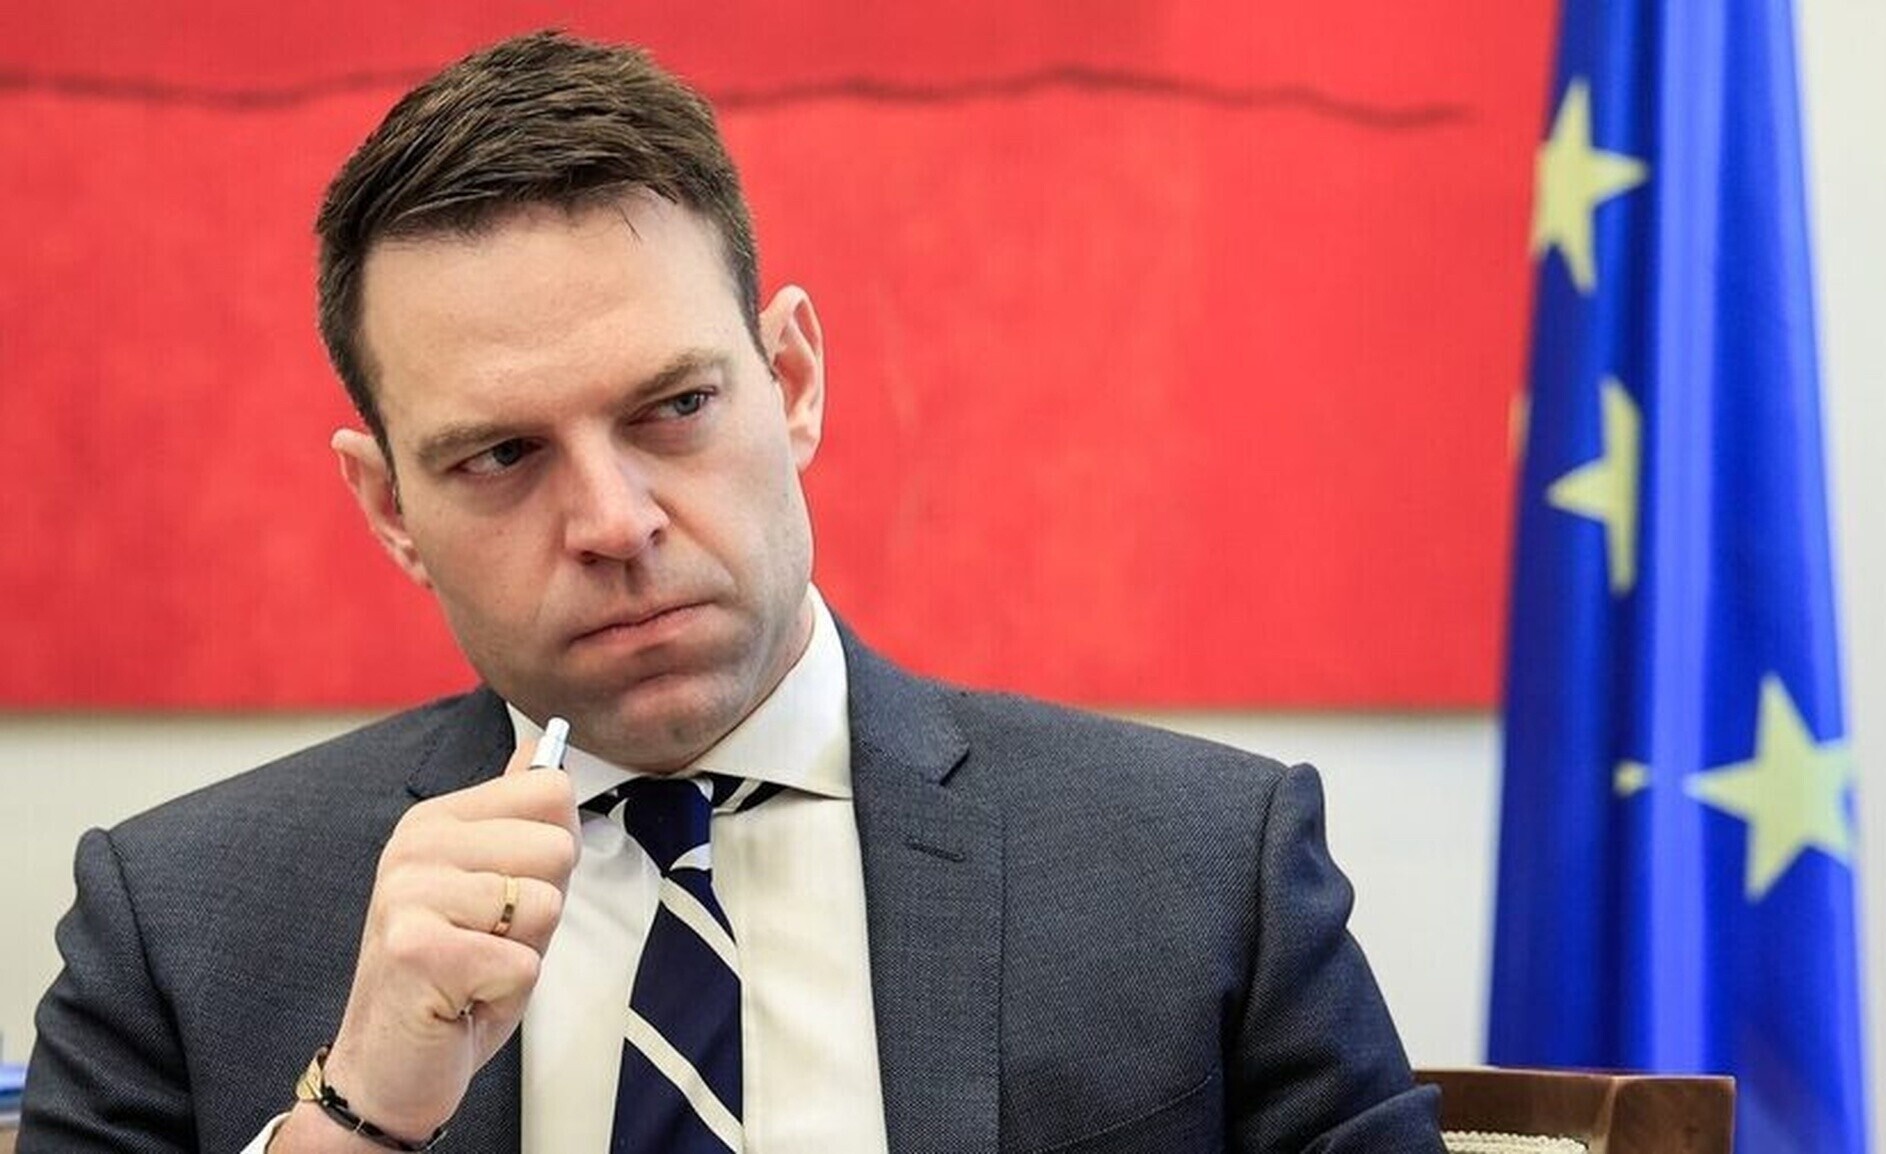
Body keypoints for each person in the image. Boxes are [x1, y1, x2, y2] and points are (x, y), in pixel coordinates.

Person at [20, 31, 1445, 1154]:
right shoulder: (180, 927)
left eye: (675, 407)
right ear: (391, 508)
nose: (614, 520)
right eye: (503, 455)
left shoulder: (1205, 870)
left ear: (794, 380)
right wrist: (360, 1119)